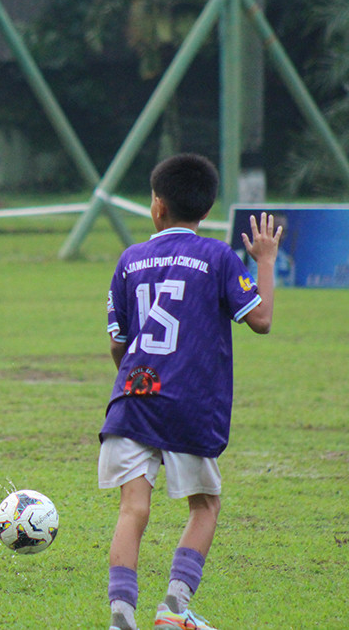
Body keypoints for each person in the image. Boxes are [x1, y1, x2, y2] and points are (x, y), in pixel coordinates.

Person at [99, 153, 280, 630]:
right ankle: (174, 610)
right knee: (205, 506)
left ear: (156, 206)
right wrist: (264, 260)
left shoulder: (130, 259)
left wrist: (133, 378)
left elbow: (119, 345)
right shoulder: (218, 256)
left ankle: (121, 618)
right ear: (206, 207)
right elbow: (259, 320)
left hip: (133, 401)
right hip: (189, 404)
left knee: (133, 507)